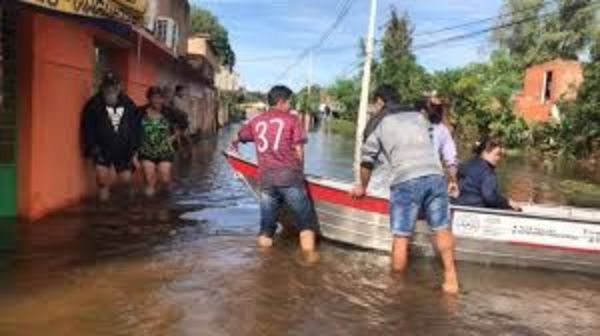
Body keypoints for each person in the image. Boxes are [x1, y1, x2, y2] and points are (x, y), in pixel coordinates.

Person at [350, 84, 459, 294]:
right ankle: (451, 278)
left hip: (406, 180)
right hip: (436, 176)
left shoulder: (378, 122)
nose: (374, 107)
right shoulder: (418, 115)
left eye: (375, 103)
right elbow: (427, 142)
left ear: (380, 101)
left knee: (401, 236)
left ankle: (396, 289)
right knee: (442, 228)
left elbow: (367, 161)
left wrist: (362, 186)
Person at [231, 85, 318, 252]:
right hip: (289, 179)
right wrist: (300, 174)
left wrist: (234, 148)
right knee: (306, 225)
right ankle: (309, 265)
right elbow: (299, 151)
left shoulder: (256, 121)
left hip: (266, 181)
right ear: (280, 102)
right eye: (289, 102)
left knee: (266, 229)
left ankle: (264, 266)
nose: (291, 106)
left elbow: (237, 137)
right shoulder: (292, 120)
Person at [81, 73, 141, 202]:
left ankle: (127, 208)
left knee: (126, 180)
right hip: (102, 149)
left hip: (124, 149)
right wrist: (93, 148)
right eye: (107, 86)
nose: (111, 89)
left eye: (114, 86)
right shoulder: (93, 104)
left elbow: (136, 128)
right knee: (102, 181)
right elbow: (87, 128)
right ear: (102, 87)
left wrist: (135, 150)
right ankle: (104, 213)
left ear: (119, 87)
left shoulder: (128, 104)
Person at [454, 137, 521, 211]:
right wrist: (507, 203)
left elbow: (458, 183)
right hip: (478, 208)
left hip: (460, 205)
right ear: (485, 152)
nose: (499, 158)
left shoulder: (465, 165)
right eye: (497, 154)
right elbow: (489, 197)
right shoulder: (487, 171)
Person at [138, 86, 177, 197]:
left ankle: (165, 194)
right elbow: (133, 130)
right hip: (146, 150)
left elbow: (183, 123)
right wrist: (134, 153)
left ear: (162, 99)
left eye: (159, 98)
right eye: (153, 97)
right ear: (148, 99)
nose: (156, 100)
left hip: (164, 151)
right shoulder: (140, 112)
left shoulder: (169, 112)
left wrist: (173, 137)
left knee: (164, 176)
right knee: (149, 177)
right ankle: (149, 207)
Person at [420, 98, 460, 197]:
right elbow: (451, 160)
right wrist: (453, 181)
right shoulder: (443, 130)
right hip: (433, 177)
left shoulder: (412, 126)